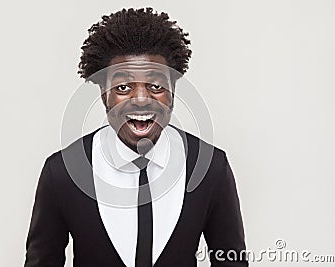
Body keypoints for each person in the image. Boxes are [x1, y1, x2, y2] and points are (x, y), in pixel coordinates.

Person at [24, 7, 248, 267]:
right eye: (123, 87)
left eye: (155, 86)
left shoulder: (210, 167)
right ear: (104, 95)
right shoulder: (62, 171)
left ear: (173, 92)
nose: (141, 99)